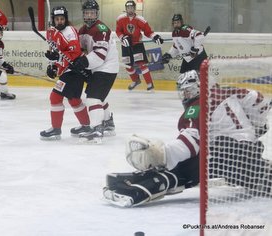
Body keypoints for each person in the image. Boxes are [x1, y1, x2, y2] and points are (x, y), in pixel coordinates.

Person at [103, 70, 272, 207]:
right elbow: (261, 103)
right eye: (183, 92)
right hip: (251, 152)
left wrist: (161, 154)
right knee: (258, 176)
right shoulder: (230, 91)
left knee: (183, 165)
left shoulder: (197, 106)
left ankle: (147, 185)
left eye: (188, 91)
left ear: (199, 87)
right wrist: (256, 126)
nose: (185, 96)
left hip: (227, 156)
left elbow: (191, 141)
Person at [69, 0, 119, 144]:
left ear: (97, 14)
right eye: (87, 13)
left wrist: (83, 63)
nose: (89, 16)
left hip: (106, 67)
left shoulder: (101, 29)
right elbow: (80, 50)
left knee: (92, 99)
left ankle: (97, 130)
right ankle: (108, 123)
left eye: (92, 13)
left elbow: (99, 56)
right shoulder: (83, 30)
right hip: (97, 68)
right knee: (98, 97)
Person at [40, 6, 90, 140]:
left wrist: (57, 59)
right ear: (54, 20)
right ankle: (86, 125)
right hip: (69, 70)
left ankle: (56, 129)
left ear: (66, 19)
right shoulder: (51, 32)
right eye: (57, 19)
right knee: (74, 100)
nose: (60, 21)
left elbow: (74, 53)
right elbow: (54, 51)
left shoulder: (70, 32)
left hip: (75, 69)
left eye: (62, 19)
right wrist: (53, 66)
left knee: (55, 97)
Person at [116, 0, 164, 91]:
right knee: (128, 65)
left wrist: (155, 36)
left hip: (137, 45)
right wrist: (123, 38)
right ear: (126, 9)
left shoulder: (140, 19)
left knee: (141, 64)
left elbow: (148, 32)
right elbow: (118, 31)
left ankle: (150, 83)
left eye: (132, 8)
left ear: (134, 9)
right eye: (128, 8)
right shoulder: (120, 19)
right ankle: (136, 80)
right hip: (125, 45)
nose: (130, 9)